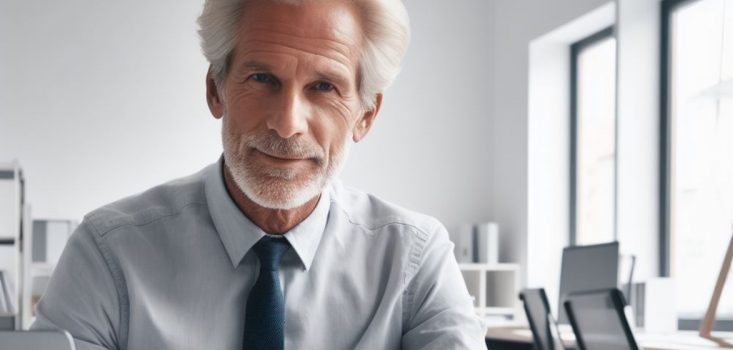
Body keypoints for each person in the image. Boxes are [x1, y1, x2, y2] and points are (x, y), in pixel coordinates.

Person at [32, 0, 486, 349]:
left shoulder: (414, 260)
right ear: (215, 90)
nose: (286, 123)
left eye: (323, 87)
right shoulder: (109, 254)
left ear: (365, 115)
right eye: (262, 79)